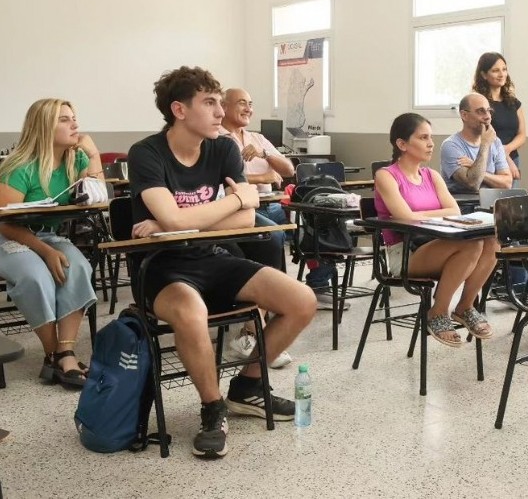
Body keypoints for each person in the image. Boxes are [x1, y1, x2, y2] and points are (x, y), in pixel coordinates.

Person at [127, 66, 316, 458]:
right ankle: (213, 408)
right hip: (160, 266)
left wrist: (175, 221)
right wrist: (231, 201)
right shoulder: (147, 153)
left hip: (212, 256)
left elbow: (245, 220)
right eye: (210, 103)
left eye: (219, 103)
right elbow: (225, 210)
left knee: (302, 301)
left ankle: (247, 387)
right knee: (191, 313)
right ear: (179, 109)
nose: (220, 112)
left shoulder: (223, 147)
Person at [0, 98, 102, 389]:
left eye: (74, 117)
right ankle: (54, 352)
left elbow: (98, 197)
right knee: (35, 275)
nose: (75, 124)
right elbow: (6, 222)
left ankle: (65, 352)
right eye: (65, 119)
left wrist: (93, 155)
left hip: (48, 234)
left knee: (78, 267)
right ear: (44, 125)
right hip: (9, 235)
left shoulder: (76, 159)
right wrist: (45, 252)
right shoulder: (18, 167)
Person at [374, 112, 497, 347]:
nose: (431, 143)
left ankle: (464, 307)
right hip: (406, 253)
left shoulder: (432, 175)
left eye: (431, 137)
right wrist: (437, 214)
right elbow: (406, 218)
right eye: (423, 137)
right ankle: (437, 312)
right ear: (402, 144)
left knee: (491, 241)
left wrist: (424, 215)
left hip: (437, 244)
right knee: (471, 244)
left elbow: (454, 210)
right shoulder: (386, 176)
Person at [220, 88, 295, 369]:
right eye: (241, 103)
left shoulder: (258, 138)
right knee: (272, 238)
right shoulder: (217, 138)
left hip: (270, 205)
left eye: (251, 104)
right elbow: (232, 183)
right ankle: (253, 331)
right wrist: (264, 175)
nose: (248, 109)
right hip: (239, 210)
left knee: (310, 221)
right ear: (224, 106)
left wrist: (265, 154)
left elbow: (287, 170)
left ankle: (311, 288)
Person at [440, 92, 512, 194]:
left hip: (491, 205)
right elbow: (473, 183)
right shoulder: (451, 145)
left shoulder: (495, 142)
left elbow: (507, 183)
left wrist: (474, 166)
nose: (487, 117)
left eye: (489, 111)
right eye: (481, 111)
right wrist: (485, 144)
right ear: (464, 115)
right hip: (465, 207)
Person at [473, 52, 526, 187]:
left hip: (513, 158)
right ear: (484, 75)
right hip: (489, 160)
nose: (501, 74)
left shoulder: (514, 103)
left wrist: (507, 150)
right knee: (491, 204)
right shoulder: (479, 103)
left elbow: (522, 134)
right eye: (495, 70)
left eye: (504, 69)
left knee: (510, 204)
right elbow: (485, 136)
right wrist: (506, 158)